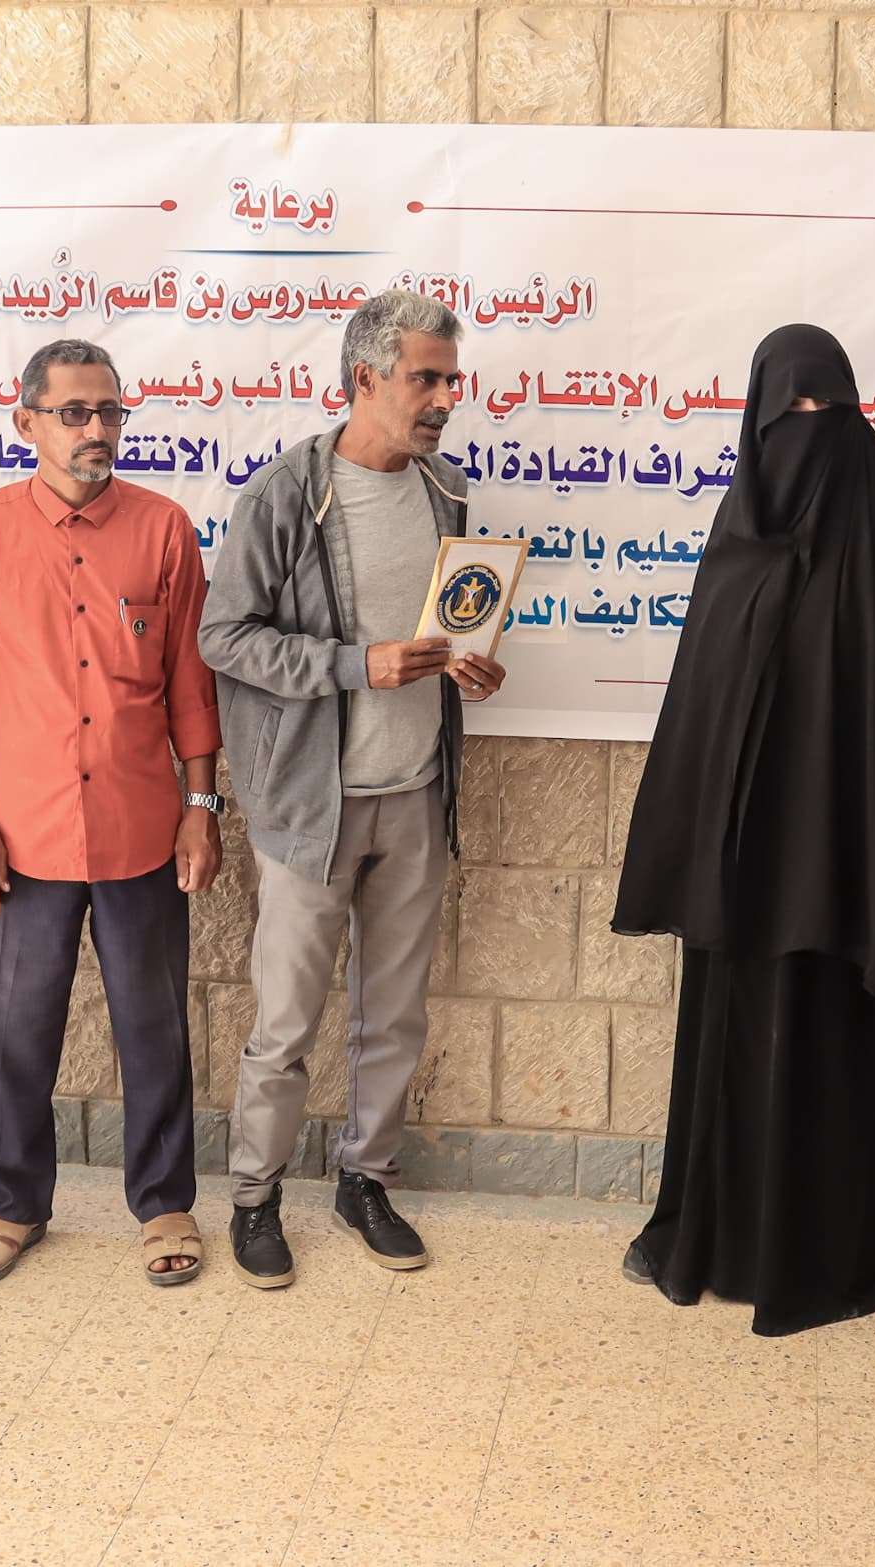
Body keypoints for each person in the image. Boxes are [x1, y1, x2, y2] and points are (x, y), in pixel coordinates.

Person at [613, 323, 875, 1336]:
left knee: (831, 1060)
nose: (808, 429)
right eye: (789, 412)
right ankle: (716, 1233)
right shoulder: (740, 539)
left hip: (846, 881)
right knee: (734, 1053)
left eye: (827, 408)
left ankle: (827, 1250)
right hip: (742, 881)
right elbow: (700, 713)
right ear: (756, 423)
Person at [198, 289, 503, 1289]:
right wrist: (351, 666)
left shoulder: (447, 491)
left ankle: (365, 1181)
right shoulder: (286, 495)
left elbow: (450, 626)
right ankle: (254, 1197)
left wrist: (469, 668)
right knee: (285, 1024)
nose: (445, 399)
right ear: (365, 378)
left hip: (415, 794)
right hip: (309, 808)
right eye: (427, 379)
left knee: (394, 1015)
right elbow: (223, 638)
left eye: (451, 379)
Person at [0, 338, 222, 1286]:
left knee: (153, 1022)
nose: (97, 429)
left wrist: (201, 805)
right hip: (22, 831)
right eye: (74, 413)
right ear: (26, 422)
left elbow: (190, 686)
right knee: (17, 1026)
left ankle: (165, 1200)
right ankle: (15, 1200)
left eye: (110, 411)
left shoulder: (164, 528)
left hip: (142, 824)